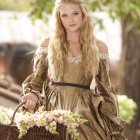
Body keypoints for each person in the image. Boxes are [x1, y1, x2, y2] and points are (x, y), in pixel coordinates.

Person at [21, 0, 126, 139]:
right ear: (59, 17)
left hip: (85, 112)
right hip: (53, 109)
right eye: (64, 15)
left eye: (75, 13)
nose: (70, 19)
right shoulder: (47, 43)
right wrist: (32, 94)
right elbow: (37, 80)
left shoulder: (99, 47)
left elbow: (105, 88)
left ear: (84, 14)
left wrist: (112, 122)